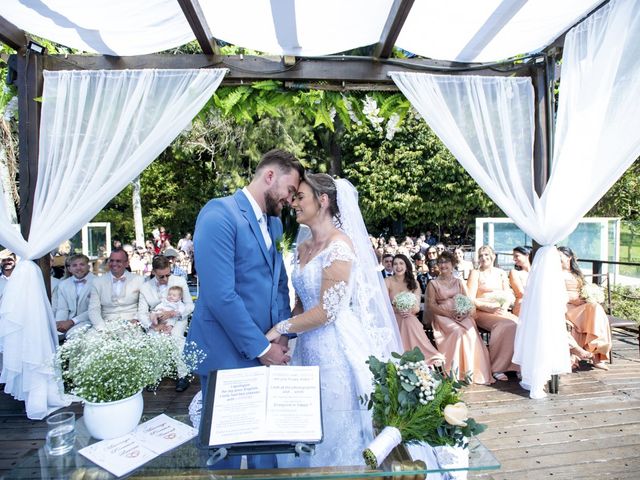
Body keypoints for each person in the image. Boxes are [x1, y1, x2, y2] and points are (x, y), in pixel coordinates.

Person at [265, 174, 402, 467]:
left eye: (300, 197)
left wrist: (279, 329)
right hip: (306, 348)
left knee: (335, 427)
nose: (293, 202)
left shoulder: (340, 246)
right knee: (306, 424)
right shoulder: (302, 247)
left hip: (335, 349)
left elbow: (327, 312)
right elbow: (301, 302)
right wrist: (286, 340)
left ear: (323, 201)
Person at [187, 149, 302, 470]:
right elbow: (219, 295)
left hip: (266, 351)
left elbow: (279, 285)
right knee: (223, 454)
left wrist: (280, 336)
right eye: (290, 191)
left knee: (266, 451)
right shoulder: (219, 214)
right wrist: (262, 347)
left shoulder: (276, 226)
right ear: (269, 176)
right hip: (225, 353)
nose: (291, 200)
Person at [427, 251, 493, 384]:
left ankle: (472, 372)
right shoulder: (433, 283)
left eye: (446, 262)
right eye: (440, 262)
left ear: (453, 264)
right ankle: (455, 372)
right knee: (457, 332)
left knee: (470, 332)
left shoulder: (459, 282)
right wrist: (448, 314)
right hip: (442, 316)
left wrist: (463, 313)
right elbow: (432, 305)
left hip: (461, 315)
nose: (443, 265)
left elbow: (467, 300)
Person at [467, 245, 519, 381]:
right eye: (480, 256)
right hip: (482, 312)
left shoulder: (500, 272)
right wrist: (488, 307)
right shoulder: (475, 273)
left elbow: (508, 293)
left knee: (520, 324)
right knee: (506, 325)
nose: (483, 258)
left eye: (486, 254)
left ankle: (516, 365)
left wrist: (504, 305)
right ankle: (497, 367)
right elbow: (470, 298)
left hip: (500, 309)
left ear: (493, 256)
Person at [558, 246, 612, 370]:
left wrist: (589, 296)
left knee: (596, 308)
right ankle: (595, 356)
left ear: (569, 257)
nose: (557, 259)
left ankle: (597, 355)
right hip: (567, 306)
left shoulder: (577, 273)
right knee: (594, 312)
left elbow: (583, 289)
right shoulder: (555, 273)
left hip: (581, 305)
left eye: (559, 256)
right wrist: (574, 300)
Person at [385, 253, 444, 366]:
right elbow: (384, 304)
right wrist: (397, 310)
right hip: (392, 316)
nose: (398, 267)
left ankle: (426, 355)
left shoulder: (414, 283)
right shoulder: (387, 281)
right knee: (408, 320)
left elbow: (416, 307)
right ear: (392, 267)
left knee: (409, 320)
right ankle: (406, 354)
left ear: (407, 266)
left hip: (409, 315)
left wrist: (408, 311)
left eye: (401, 263)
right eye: (395, 264)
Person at [88, 248, 145, 329]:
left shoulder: (139, 280)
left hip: (132, 324)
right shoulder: (97, 282)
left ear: (126, 263)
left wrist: (136, 319)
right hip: (106, 323)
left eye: (118, 261)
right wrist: (101, 328)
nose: (114, 263)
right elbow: (93, 309)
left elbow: (143, 307)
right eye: (111, 260)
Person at [54, 254, 94, 339]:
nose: (78, 268)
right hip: (68, 321)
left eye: (82, 264)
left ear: (88, 266)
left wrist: (72, 322)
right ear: (69, 269)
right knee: (50, 335)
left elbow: (94, 309)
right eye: (74, 265)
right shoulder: (63, 285)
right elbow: (62, 308)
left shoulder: (98, 283)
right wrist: (59, 324)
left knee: (73, 334)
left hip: (89, 320)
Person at [509, 246, 532, 317]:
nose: (514, 259)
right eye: (513, 256)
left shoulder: (537, 272)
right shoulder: (514, 272)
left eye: (516, 256)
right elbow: (520, 293)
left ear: (527, 255)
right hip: (522, 305)